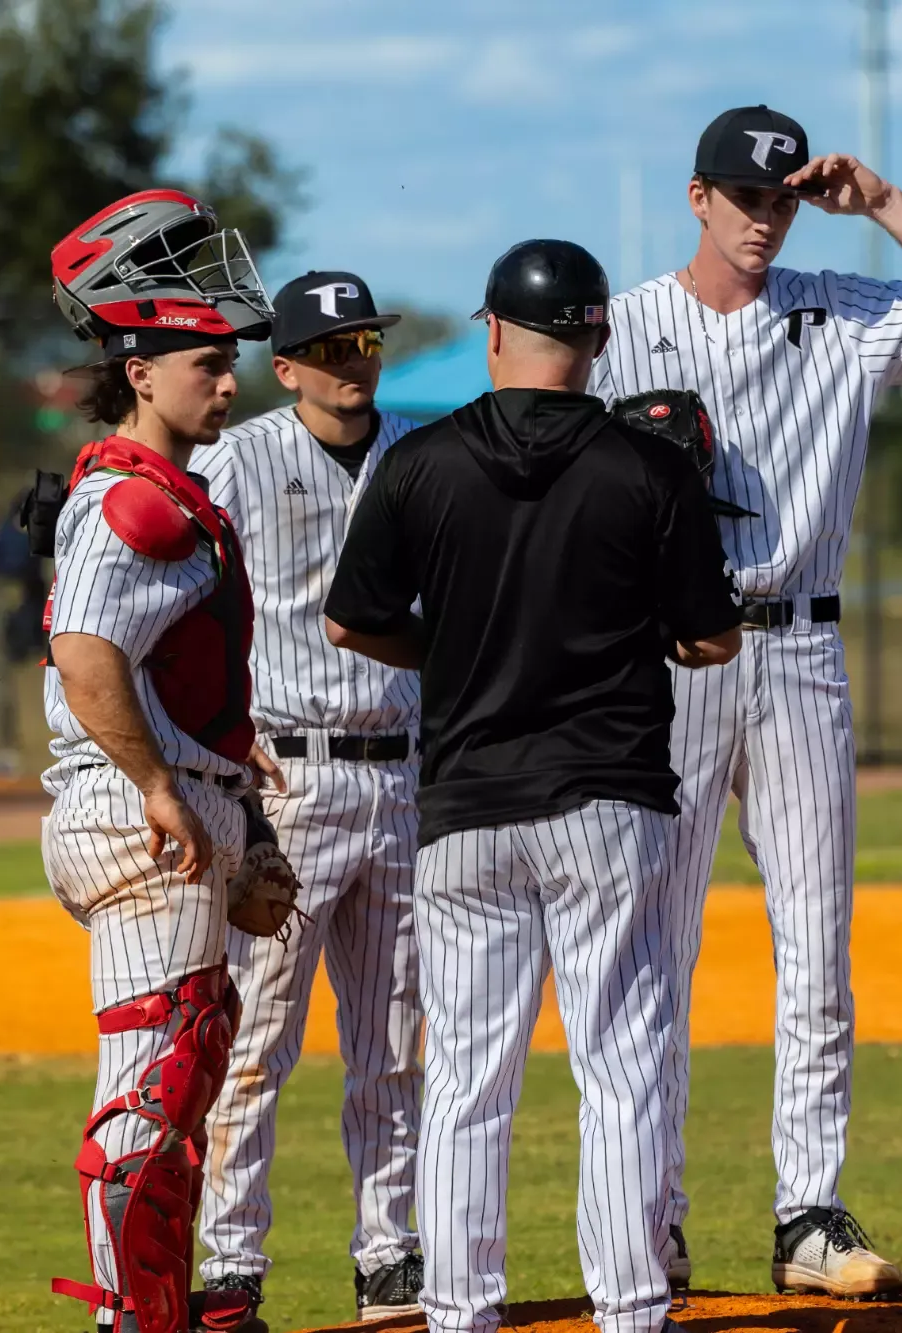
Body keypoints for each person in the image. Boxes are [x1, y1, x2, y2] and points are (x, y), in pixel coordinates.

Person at [591, 102, 902, 1298]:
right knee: (654, 946)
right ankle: (648, 1213)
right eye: (742, 197)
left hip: (799, 650)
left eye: (779, 199)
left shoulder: (841, 308)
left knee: (816, 945)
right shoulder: (624, 325)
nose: (762, 219)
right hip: (669, 656)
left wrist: (880, 203)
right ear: (697, 197)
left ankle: (808, 1215)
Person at [323, 239, 743, 1333]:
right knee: (621, 1065)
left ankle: (459, 1312)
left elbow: (350, 620)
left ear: (496, 331)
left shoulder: (418, 462)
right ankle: (632, 1309)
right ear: (595, 340)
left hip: (466, 806)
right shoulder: (646, 466)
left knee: (468, 1078)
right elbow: (711, 640)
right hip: (607, 797)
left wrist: (452, 652)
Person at [39, 188, 275, 1333]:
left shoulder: (170, 494)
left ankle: (161, 1310)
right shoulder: (131, 501)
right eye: (205, 366)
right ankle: (134, 1320)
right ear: (140, 372)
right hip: (135, 819)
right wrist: (159, 785)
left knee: (186, 1073)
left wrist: (236, 805)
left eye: (228, 364)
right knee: (153, 1089)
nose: (227, 383)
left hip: (171, 811)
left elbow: (170, 678)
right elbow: (85, 655)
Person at [192, 271, 427, 1325]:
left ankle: (390, 1254)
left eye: (363, 342)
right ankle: (232, 1261)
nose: (351, 363)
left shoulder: (418, 455)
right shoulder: (237, 459)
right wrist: (218, 734)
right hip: (288, 779)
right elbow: (182, 593)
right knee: (257, 1039)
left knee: (395, 1042)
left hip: (403, 775)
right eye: (330, 349)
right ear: (284, 368)